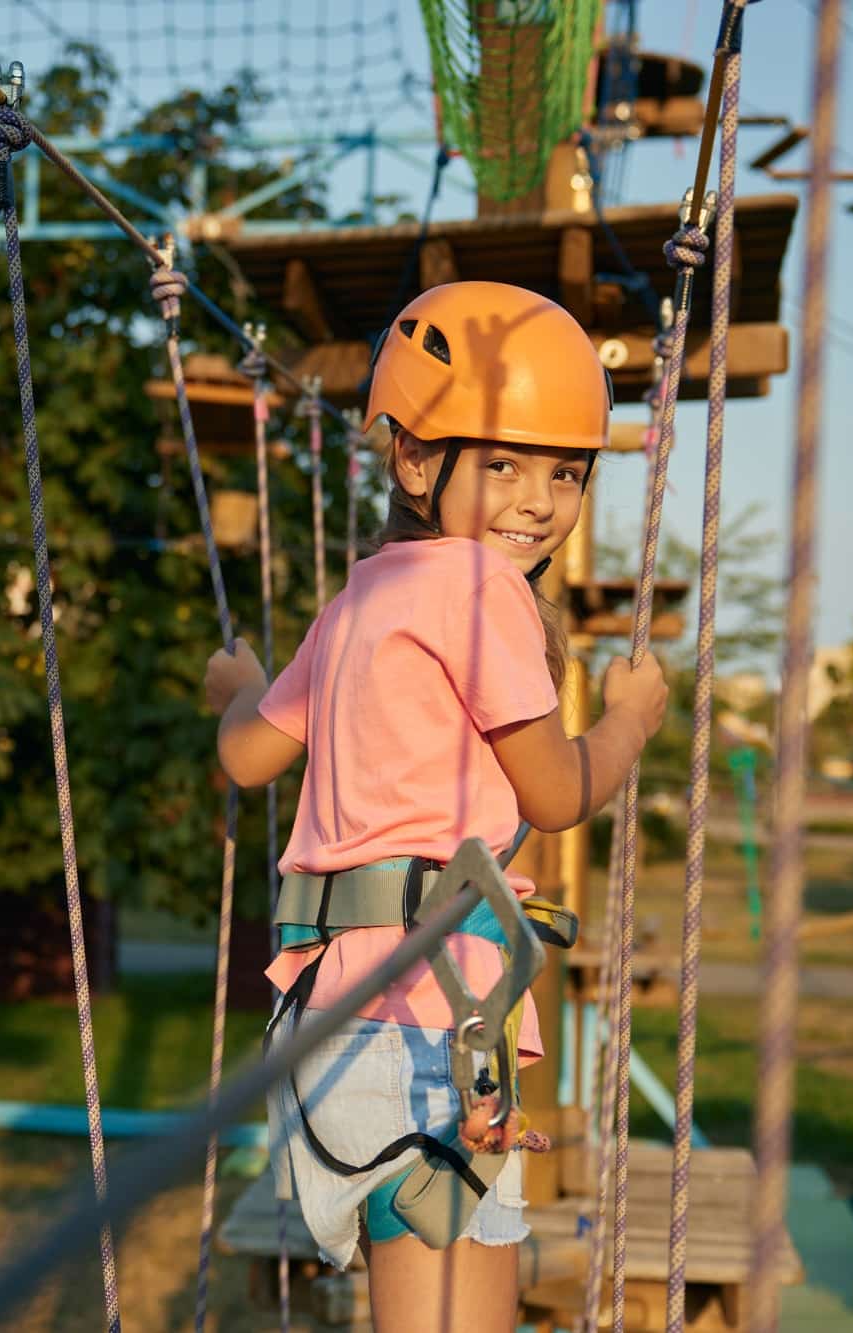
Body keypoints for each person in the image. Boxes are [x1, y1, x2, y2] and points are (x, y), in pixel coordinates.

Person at [202, 283, 669, 1332]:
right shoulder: (479, 588)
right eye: (500, 462)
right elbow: (553, 793)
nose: (536, 501)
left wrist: (235, 689)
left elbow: (245, 759)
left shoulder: (357, 597)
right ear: (416, 460)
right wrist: (631, 721)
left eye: (564, 472)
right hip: (432, 1026)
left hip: (323, 1020)